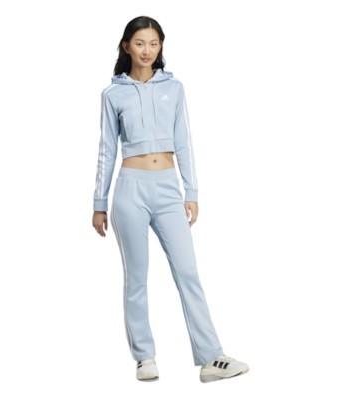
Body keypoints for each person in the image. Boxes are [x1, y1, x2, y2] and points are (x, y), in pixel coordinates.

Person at [92, 16, 249, 383]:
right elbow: (106, 150)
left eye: (154, 43)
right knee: (137, 277)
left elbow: (184, 142)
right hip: (129, 189)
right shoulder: (113, 94)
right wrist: (99, 202)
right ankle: (144, 357)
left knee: (188, 272)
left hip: (167, 188)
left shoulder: (174, 88)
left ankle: (211, 358)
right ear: (126, 46)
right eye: (140, 43)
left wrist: (190, 191)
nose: (147, 50)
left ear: (160, 46)